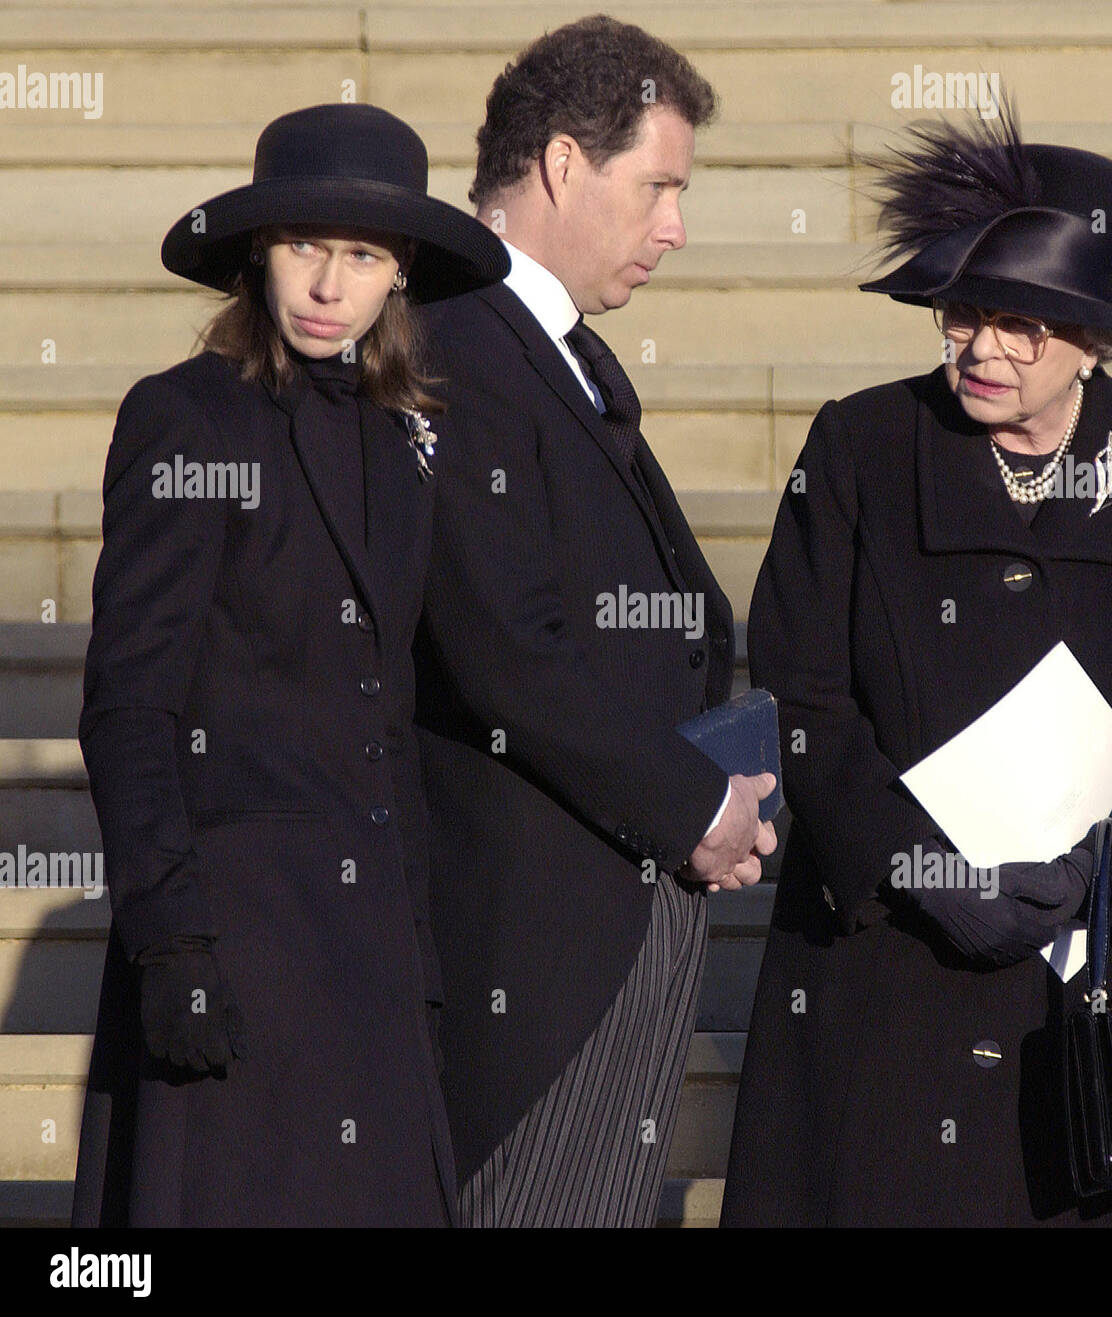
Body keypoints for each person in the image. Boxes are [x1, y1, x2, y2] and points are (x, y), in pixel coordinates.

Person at [721, 106, 1112, 1227]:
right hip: (882, 974)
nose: (983, 349)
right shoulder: (858, 447)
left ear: (1095, 339)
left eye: (1024, 325)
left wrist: (1110, 879)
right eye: (966, 315)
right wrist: (912, 865)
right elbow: (798, 690)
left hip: (1082, 991)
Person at [71, 102, 508, 1226]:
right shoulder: (187, 421)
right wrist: (173, 941)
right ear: (256, 255)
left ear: (398, 270)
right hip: (239, 941)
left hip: (367, 958)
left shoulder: (405, 433)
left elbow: (398, 712)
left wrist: (418, 966)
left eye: (360, 254)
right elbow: (131, 704)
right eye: (303, 246)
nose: (327, 283)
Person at [413, 15, 777, 1227]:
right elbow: (503, 644)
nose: (675, 226)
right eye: (658, 186)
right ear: (564, 164)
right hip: (541, 946)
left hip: (609, 915)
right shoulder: (458, 332)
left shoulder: (544, 345)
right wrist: (692, 808)